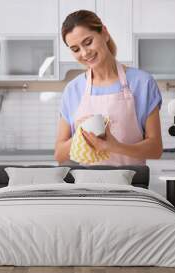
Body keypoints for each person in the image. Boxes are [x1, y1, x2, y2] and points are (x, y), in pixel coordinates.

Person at [54, 10, 163, 165]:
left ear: (104, 33)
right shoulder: (73, 90)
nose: (85, 53)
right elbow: (59, 155)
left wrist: (115, 146)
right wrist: (80, 134)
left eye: (88, 42)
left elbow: (156, 149)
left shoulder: (142, 83)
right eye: (76, 49)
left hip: (130, 185)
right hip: (86, 186)